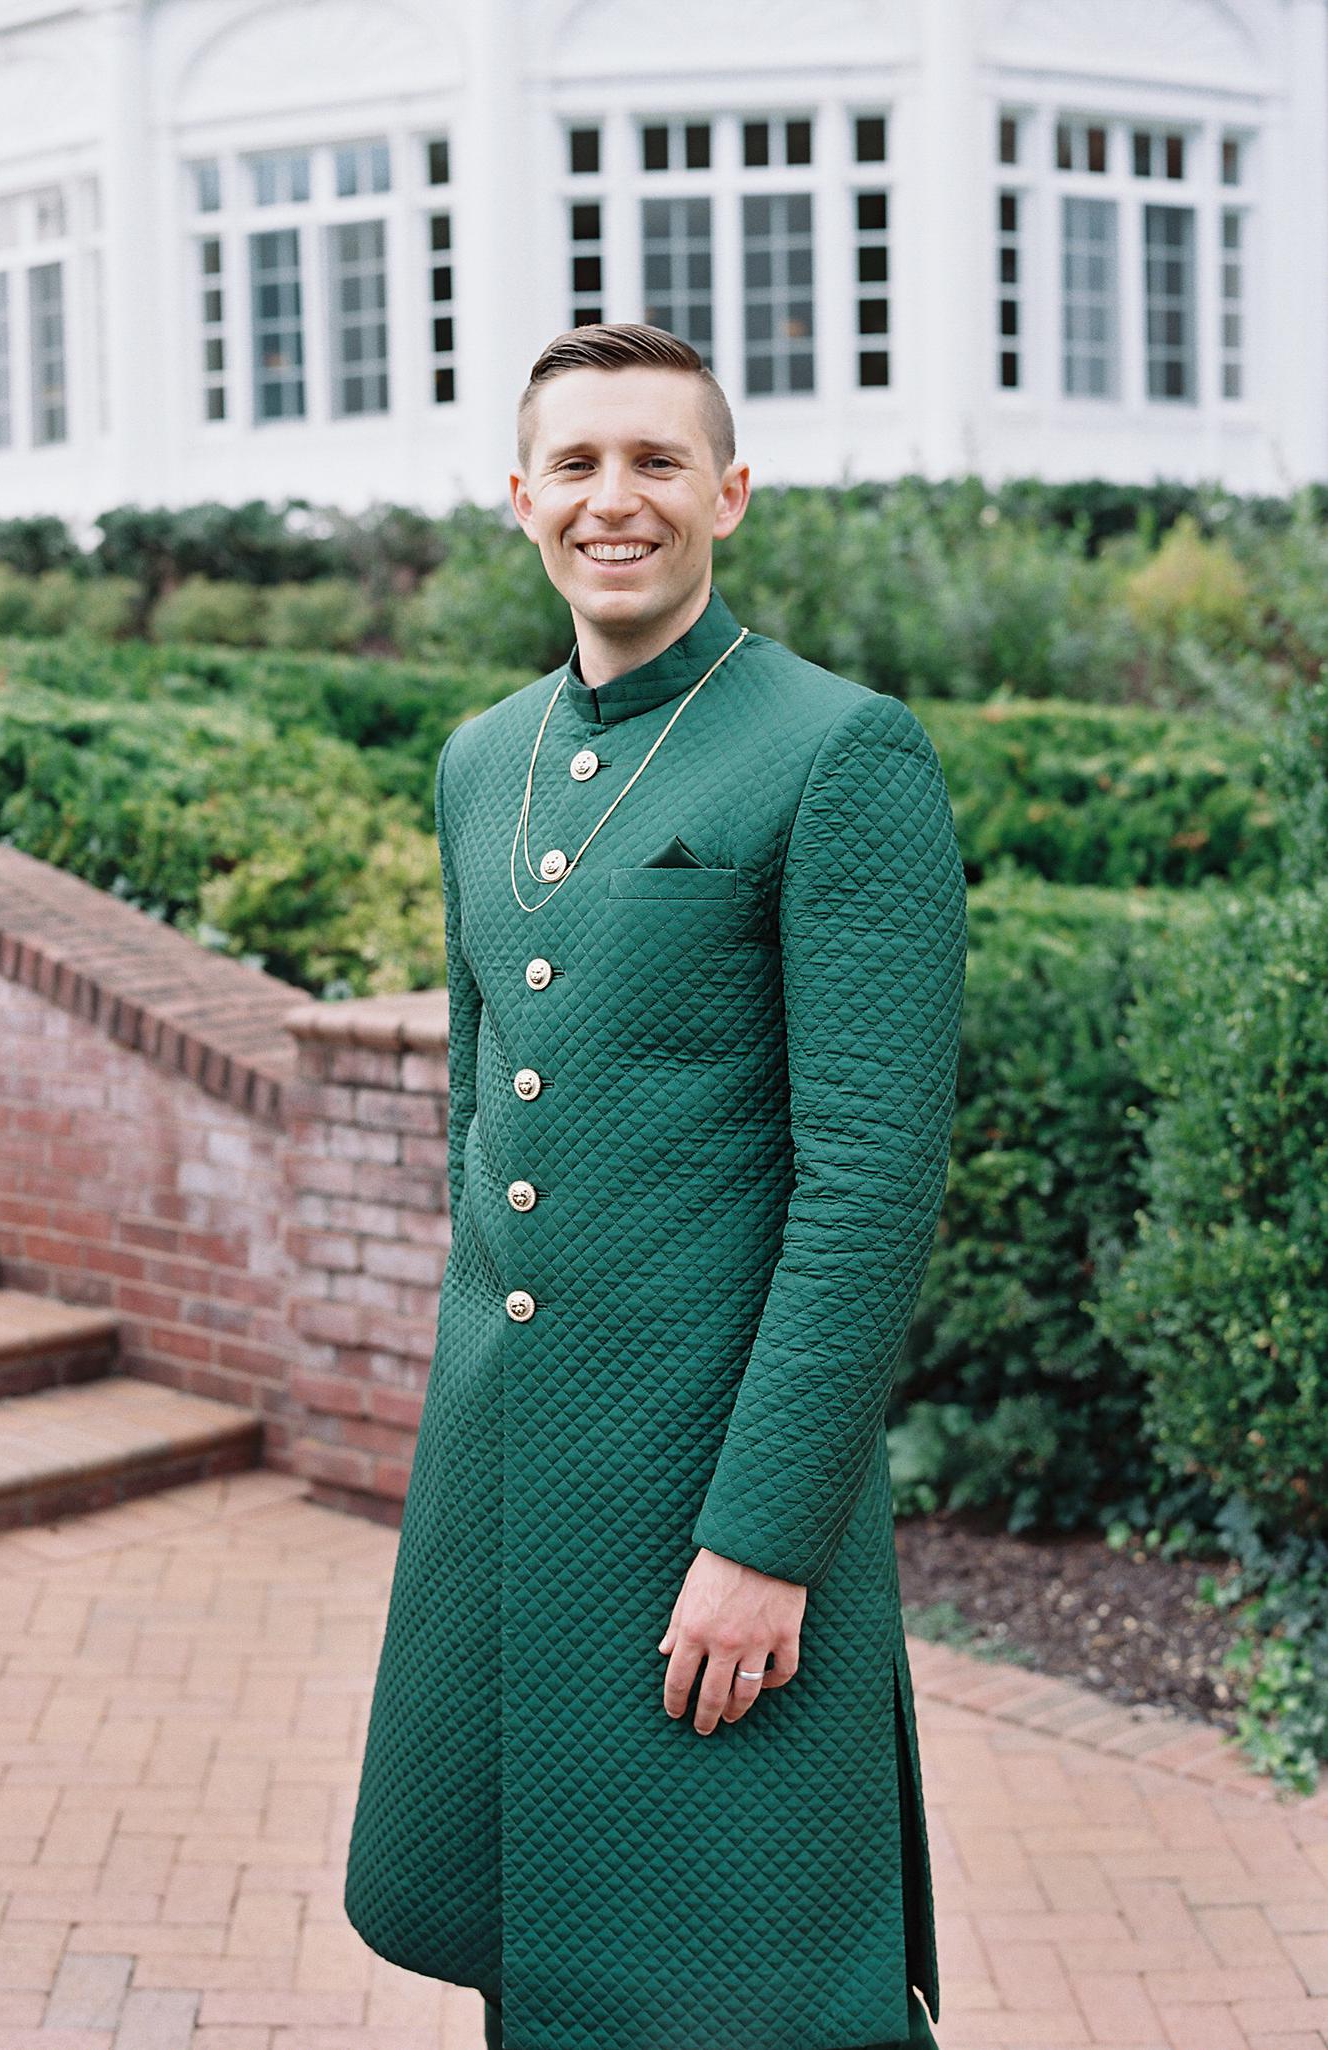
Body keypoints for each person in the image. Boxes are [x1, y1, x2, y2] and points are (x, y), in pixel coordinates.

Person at [344, 322, 966, 2050]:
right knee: (532, 1974)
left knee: (762, 1988)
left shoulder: (841, 754)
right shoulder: (481, 759)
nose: (614, 499)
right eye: (577, 465)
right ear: (520, 501)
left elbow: (864, 1190)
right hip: (503, 1497)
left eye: (657, 461)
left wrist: (762, 1539)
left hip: (709, 1505)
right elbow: (486, 1129)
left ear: (729, 493)